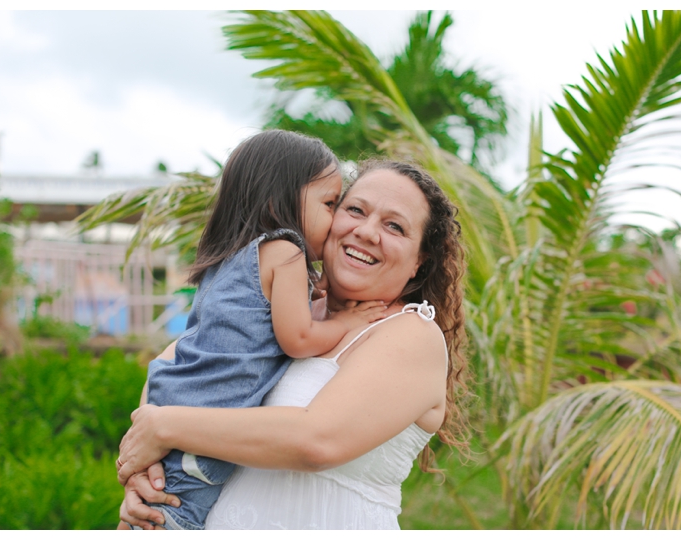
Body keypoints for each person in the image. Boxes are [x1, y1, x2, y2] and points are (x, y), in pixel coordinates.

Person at [117, 159, 469, 530]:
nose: (366, 232)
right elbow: (176, 363)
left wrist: (165, 427)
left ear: (420, 261)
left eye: (394, 226)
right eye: (354, 210)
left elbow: (316, 441)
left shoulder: (410, 333)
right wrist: (149, 464)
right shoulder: (291, 312)